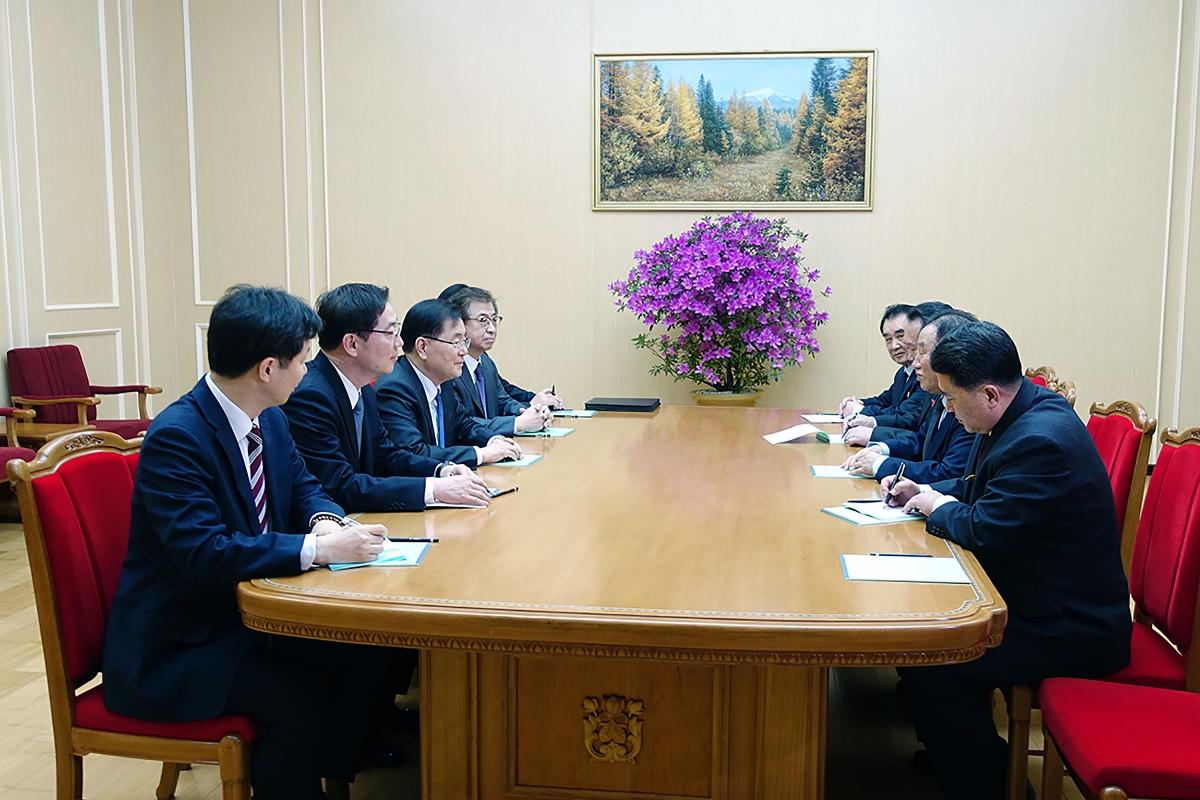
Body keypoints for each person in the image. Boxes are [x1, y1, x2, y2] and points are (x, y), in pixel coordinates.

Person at [102, 285, 393, 800]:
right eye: (302, 360)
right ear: (267, 369)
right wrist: (318, 550)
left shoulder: (270, 418)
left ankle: (338, 775)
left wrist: (327, 523)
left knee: (362, 656)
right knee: (295, 700)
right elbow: (205, 553)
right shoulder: (178, 436)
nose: (308, 370)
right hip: (180, 644)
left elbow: (304, 487)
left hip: (239, 619)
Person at [885, 321, 1131, 800]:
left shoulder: (1039, 440)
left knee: (936, 663)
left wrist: (937, 508)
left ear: (990, 394)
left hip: (1071, 625)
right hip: (1039, 596)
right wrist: (926, 490)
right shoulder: (1021, 412)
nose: (946, 409)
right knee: (926, 649)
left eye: (951, 399)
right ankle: (956, 755)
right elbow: (981, 488)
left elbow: (986, 529)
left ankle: (991, 785)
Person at [283, 282, 491, 511]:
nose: (400, 343)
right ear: (352, 344)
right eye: (391, 332)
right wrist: (433, 489)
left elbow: (386, 455)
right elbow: (339, 486)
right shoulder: (311, 396)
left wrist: (441, 470)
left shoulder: (363, 390)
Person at [375, 298, 523, 467]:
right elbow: (414, 452)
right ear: (422, 347)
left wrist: (493, 440)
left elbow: (464, 425)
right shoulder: (394, 389)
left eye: (464, 341)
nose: (464, 351)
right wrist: (481, 454)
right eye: (456, 342)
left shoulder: (442, 380)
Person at [841, 312, 976, 483]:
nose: (915, 362)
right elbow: (920, 441)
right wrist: (882, 449)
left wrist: (880, 465)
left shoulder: (969, 406)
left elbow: (950, 473)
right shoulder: (939, 398)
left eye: (922, 352)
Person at [440, 285, 553, 436]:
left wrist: (531, 412)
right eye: (483, 320)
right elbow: (461, 424)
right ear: (460, 324)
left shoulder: (486, 363)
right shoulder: (449, 368)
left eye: (494, 319)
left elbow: (503, 401)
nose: (492, 329)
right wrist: (517, 424)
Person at [839, 303, 930, 431]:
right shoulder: (903, 373)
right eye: (888, 339)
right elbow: (885, 400)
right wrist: (857, 403)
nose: (894, 346)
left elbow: (905, 416)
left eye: (900, 336)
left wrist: (859, 410)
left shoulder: (926, 375)